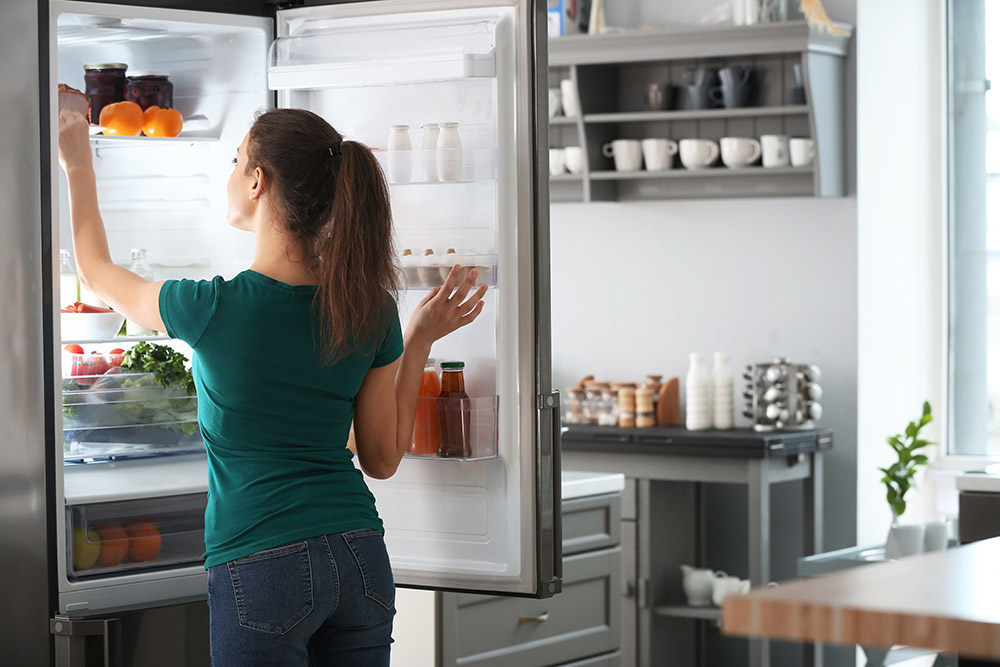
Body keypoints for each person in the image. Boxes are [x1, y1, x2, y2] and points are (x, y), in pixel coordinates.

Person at [58, 107, 487, 666]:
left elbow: (94, 272)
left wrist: (76, 159)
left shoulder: (211, 305)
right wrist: (418, 340)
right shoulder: (368, 307)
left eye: (237, 161)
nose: (233, 172)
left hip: (262, 562)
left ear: (258, 181)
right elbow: (380, 458)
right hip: (359, 554)